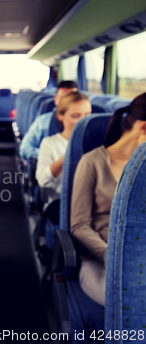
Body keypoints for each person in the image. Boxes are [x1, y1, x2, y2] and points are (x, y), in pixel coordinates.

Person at [71, 92, 146, 306]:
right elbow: (79, 226)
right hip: (101, 261)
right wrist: (110, 255)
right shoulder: (92, 162)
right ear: (143, 127)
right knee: (130, 302)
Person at [36, 91, 91, 207]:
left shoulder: (99, 143)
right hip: (61, 203)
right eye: (76, 116)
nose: (83, 121)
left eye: (87, 115)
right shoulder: (50, 143)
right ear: (60, 116)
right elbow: (43, 180)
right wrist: (68, 156)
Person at [19, 80, 79, 161]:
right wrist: (48, 155)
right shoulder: (43, 121)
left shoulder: (85, 123)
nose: (66, 103)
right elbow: (25, 148)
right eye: (62, 98)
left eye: (71, 98)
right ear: (55, 99)